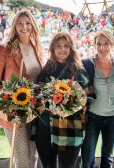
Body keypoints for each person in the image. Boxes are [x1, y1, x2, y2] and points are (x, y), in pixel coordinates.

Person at [0, 10, 44, 168]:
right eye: (20, 23)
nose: (24, 27)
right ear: (14, 26)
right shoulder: (4, 49)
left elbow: (39, 80)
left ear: (33, 25)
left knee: (33, 157)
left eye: (27, 23)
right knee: (23, 160)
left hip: (35, 113)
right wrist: (9, 103)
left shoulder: (37, 49)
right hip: (13, 113)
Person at [34, 32, 89, 168]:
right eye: (58, 46)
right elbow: (38, 94)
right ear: (52, 48)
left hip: (69, 128)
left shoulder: (78, 71)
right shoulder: (46, 69)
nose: (62, 49)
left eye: (66, 46)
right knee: (47, 166)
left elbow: (90, 96)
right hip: (45, 127)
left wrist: (75, 104)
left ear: (71, 48)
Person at [81, 30, 114, 168]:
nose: (102, 47)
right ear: (94, 45)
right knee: (87, 158)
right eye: (99, 44)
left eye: (106, 44)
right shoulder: (87, 64)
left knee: (108, 158)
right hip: (93, 117)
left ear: (112, 44)